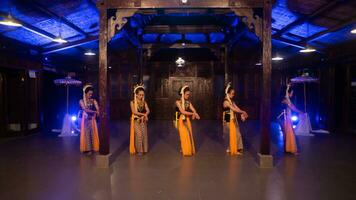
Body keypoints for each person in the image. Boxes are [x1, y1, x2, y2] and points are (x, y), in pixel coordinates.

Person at [222, 83, 248, 155]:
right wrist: (242, 112)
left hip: (232, 117)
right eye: (232, 94)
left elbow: (236, 108)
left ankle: (238, 148)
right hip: (227, 118)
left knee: (237, 133)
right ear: (228, 93)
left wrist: (242, 113)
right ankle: (233, 148)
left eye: (234, 94)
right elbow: (233, 109)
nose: (233, 95)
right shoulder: (226, 101)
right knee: (230, 134)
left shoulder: (231, 101)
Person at [174, 85, 200, 156]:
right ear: (182, 94)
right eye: (187, 94)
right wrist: (193, 114)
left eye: (189, 94)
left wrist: (195, 113)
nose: (188, 96)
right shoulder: (177, 102)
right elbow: (182, 112)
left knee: (188, 133)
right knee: (184, 134)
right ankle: (185, 150)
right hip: (179, 120)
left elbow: (194, 109)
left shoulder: (188, 102)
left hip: (186, 119)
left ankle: (184, 148)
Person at [279, 84, 303, 154]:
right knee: (289, 133)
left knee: (287, 134)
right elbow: (293, 108)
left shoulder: (285, 99)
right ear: (288, 93)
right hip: (286, 119)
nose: (292, 94)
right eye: (291, 93)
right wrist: (301, 112)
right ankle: (291, 149)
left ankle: (287, 149)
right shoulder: (286, 100)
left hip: (285, 118)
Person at [129, 84, 150, 155]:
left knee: (144, 134)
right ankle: (139, 150)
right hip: (136, 119)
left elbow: (148, 110)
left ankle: (144, 149)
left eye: (142, 95)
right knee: (139, 134)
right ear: (136, 95)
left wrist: (145, 114)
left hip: (143, 119)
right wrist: (143, 115)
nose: (141, 96)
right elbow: (134, 112)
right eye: (140, 95)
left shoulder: (144, 102)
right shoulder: (132, 102)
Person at [79, 84, 99, 155]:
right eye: (89, 94)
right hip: (85, 119)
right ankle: (88, 149)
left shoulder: (93, 100)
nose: (90, 95)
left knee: (93, 133)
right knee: (86, 133)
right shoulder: (81, 101)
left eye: (91, 94)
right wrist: (95, 112)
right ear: (85, 93)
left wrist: (98, 112)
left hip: (92, 119)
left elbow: (98, 109)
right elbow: (85, 109)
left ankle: (94, 148)